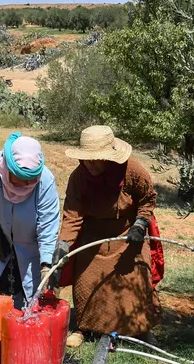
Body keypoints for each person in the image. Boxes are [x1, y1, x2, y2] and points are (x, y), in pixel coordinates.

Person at [60, 126, 162, 347]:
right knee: (87, 283)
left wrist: (140, 224)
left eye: (96, 159)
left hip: (129, 235)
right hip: (93, 239)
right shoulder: (79, 178)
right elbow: (72, 216)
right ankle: (85, 328)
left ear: (109, 158)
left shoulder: (132, 170)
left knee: (136, 281)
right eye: (87, 159)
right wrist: (63, 246)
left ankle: (141, 330)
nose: (90, 164)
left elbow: (147, 199)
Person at [0, 134, 63, 309]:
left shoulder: (45, 181)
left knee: (25, 311)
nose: (24, 185)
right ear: (8, 168)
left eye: (29, 182)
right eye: (18, 180)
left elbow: (48, 226)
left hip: (29, 251)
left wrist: (45, 266)